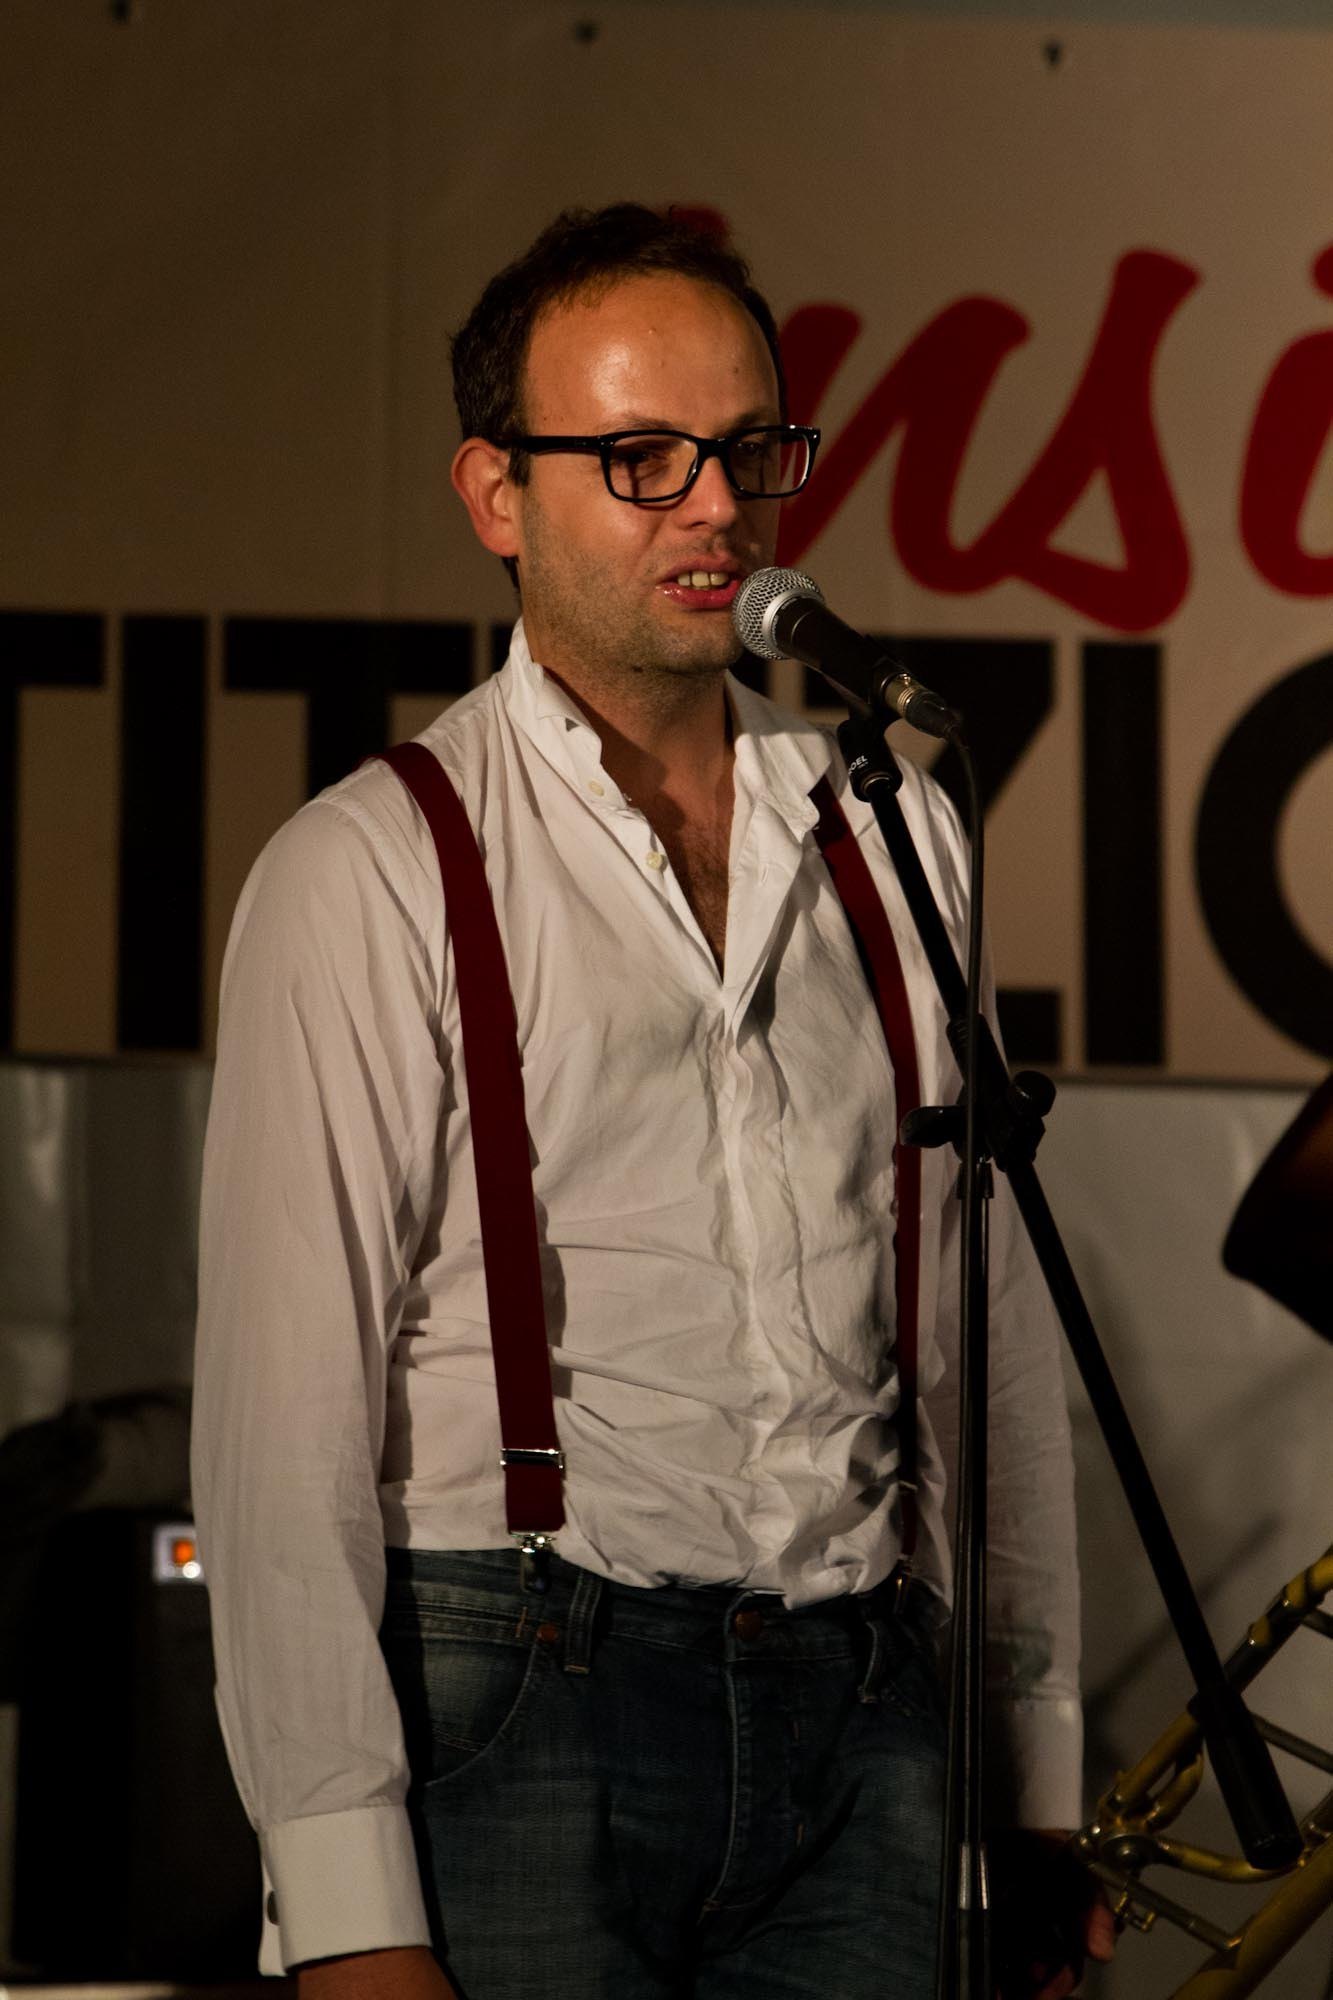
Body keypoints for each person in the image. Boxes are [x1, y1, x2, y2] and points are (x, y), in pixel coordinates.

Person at [192, 204, 1114, 2000]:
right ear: (496, 493)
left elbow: (980, 1337)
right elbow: (280, 1425)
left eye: (748, 450)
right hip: (520, 1692)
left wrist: (1028, 1778)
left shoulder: (894, 834)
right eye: (640, 458)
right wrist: (345, 1910)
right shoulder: (370, 866)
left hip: (868, 1710)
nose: (715, 508)